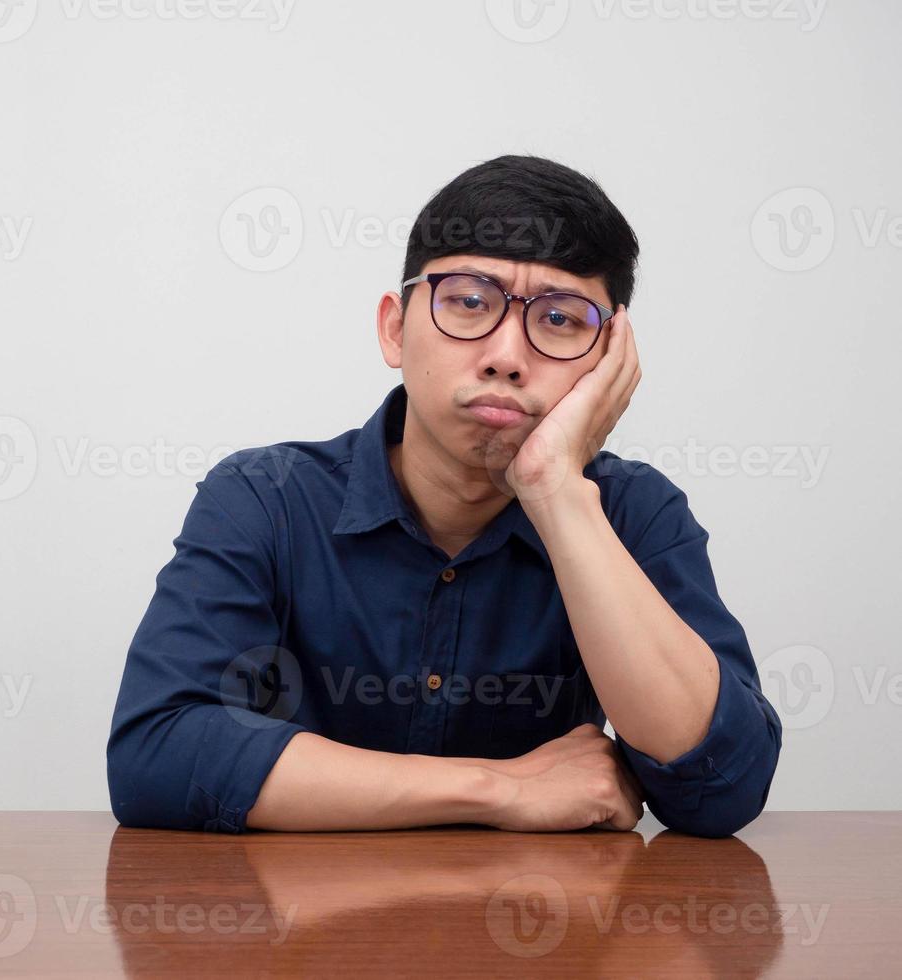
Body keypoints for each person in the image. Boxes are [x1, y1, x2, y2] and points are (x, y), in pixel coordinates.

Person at [106, 154, 782, 837]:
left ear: (607, 360)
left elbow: (719, 789)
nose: (506, 355)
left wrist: (555, 490)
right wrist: (500, 788)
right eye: (468, 303)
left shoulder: (633, 514)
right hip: (305, 934)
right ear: (394, 328)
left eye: (559, 320)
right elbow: (159, 756)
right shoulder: (263, 499)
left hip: (544, 933)